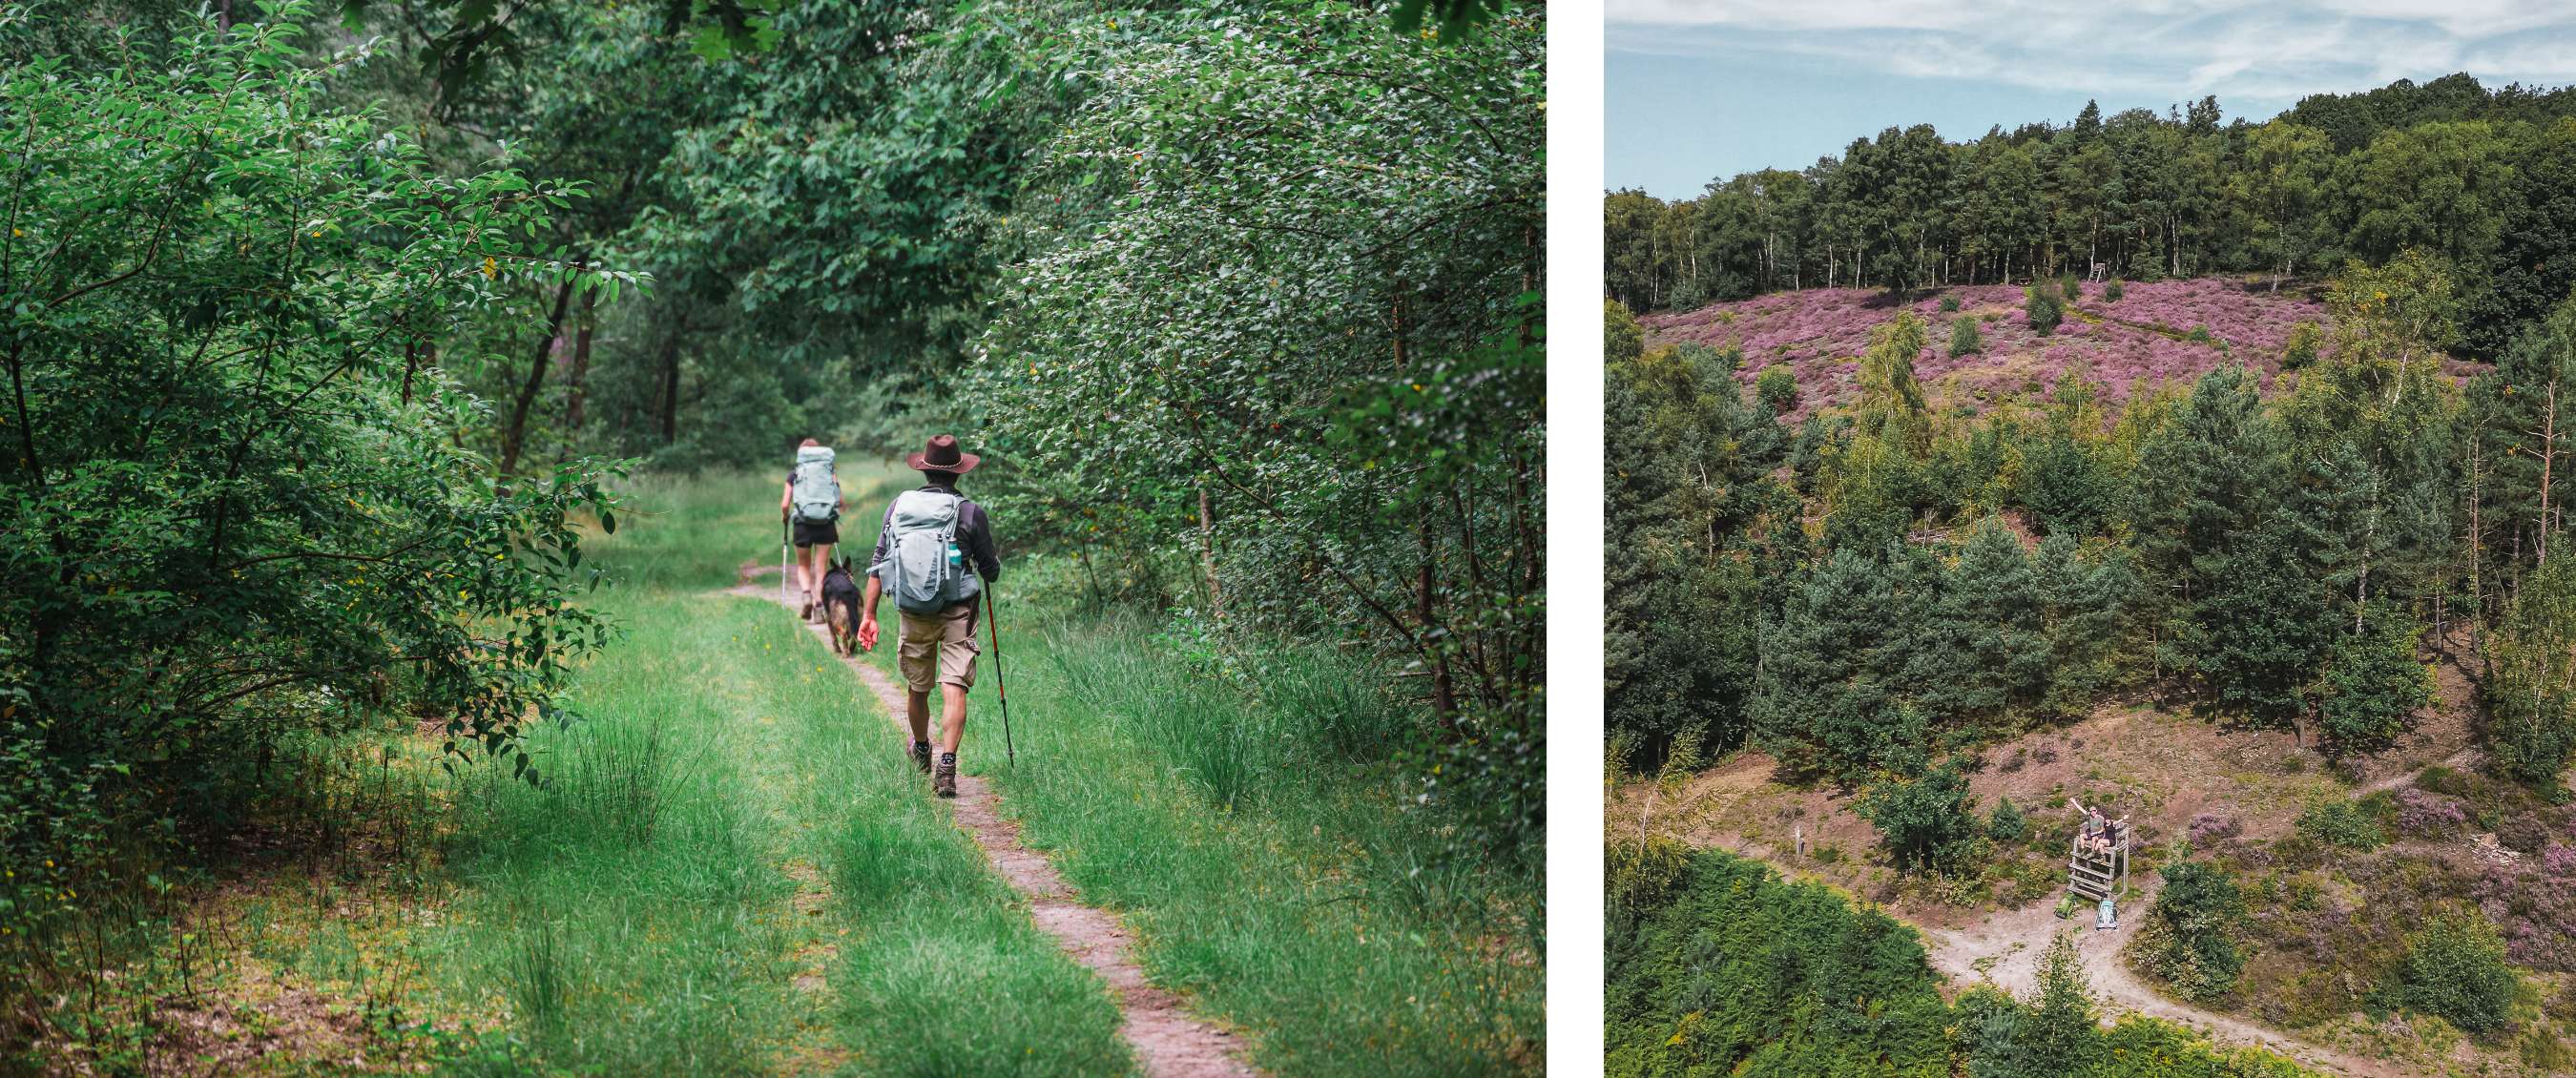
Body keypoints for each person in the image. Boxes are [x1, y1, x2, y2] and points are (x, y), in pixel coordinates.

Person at [858, 434, 1001, 798]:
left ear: (925, 469)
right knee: (954, 685)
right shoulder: (970, 512)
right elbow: (990, 570)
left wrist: (869, 614)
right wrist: (987, 564)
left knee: (918, 686)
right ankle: (948, 765)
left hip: (913, 609)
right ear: (958, 472)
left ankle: (922, 747)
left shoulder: (899, 506)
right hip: (958, 610)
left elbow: (879, 563)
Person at [780, 438, 846, 623]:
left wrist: (785, 517)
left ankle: (807, 595)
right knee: (821, 568)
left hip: (802, 524)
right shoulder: (829, 473)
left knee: (803, 565)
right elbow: (840, 501)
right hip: (825, 524)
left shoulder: (794, 474)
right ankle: (818, 607)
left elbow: (785, 504)